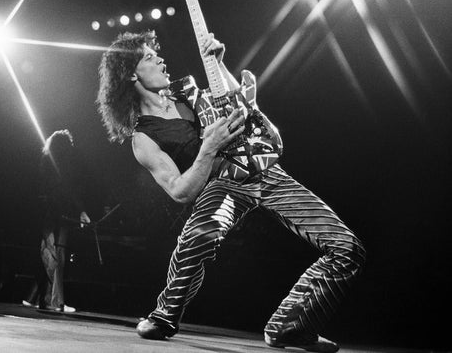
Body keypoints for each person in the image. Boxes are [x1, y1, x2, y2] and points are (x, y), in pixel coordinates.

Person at [96, 30, 365, 352]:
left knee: (348, 248)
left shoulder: (187, 93)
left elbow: (239, 108)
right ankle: (164, 316)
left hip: (264, 172)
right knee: (198, 236)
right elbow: (180, 192)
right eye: (150, 57)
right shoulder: (144, 138)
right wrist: (207, 149)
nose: (161, 59)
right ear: (129, 73)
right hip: (221, 183)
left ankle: (290, 327)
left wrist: (219, 65)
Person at [22, 130, 91, 312]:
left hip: (48, 214)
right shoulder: (63, 165)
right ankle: (55, 301)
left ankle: (36, 298)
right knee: (56, 257)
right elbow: (70, 190)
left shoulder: (46, 161)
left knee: (48, 254)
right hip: (60, 215)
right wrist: (81, 211)